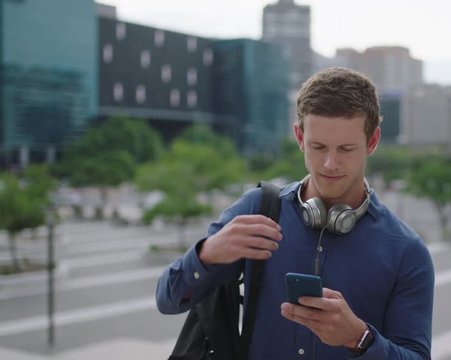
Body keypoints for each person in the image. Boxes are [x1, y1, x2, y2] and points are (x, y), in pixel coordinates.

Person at [156, 67, 435, 359]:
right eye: (318, 147)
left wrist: (359, 338)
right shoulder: (258, 210)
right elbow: (168, 299)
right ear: (299, 137)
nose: (330, 164)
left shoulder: (406, 251)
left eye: (346, 149)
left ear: (373, 142)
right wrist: (207, 254)